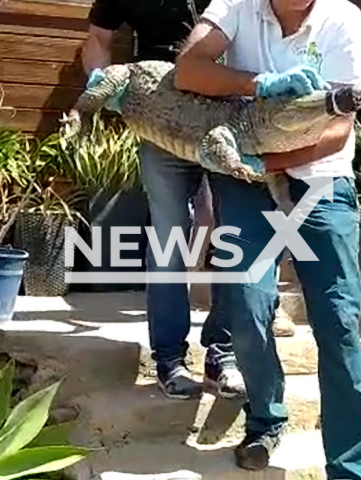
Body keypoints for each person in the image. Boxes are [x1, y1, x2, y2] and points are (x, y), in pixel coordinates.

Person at [175, 0, 361, 478]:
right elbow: (188, 70)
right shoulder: (235, 6)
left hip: (319, 178)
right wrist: (256, 84)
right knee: (246, 307)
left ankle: (353, 467)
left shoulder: (343, 19)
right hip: (246, 182)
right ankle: (266, 419)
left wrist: (266, 163)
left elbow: (337, 129)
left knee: (338, 321)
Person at [82, 0, 247, 401]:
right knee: (169, 238)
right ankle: (170, 359)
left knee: (236, 234)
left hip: (228, 120)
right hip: (161, 119)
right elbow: (98, 39)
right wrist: (103, 84)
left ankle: (222, 356)